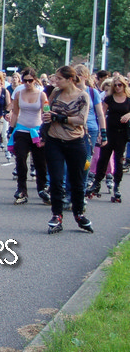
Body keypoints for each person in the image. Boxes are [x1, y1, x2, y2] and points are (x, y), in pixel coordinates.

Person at [42, 66, 93, 233]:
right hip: (54, 140)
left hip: (75, 141)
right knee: (56, 180)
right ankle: (57, 215)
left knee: (77, 181)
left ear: (70, 79)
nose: (56, 81)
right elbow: (47, 109)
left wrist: (58, 117)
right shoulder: (56, 93)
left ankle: (79, 214)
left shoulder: (83, 96)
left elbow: (81, 120)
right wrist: (46, 117)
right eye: (55, 78)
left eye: (59, 79)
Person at [87, 73, 130, 202]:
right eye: (115, 85)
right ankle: (97, 183)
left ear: (124, 85)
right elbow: (102, 114)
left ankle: (117, 185)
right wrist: (102, 132)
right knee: (103, 158)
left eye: (120, 85)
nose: (117, 87)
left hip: (122, 133)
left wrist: (128, 115)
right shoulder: (109, 99)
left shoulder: (128, 99)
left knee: (119, 160)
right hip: (110, 132)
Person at [8, 69, 49, 205]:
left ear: (35, 80)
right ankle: (21, 189)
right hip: (22, 130)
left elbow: (45, 114)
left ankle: (42, 188)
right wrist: (11, 129)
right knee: (20, 159)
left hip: (36, 131)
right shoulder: (18, 94)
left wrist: (45, 132)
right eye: (25, 80)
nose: (27, 83)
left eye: (30, 80)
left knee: (40, 162)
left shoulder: (42, 95)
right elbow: (15, 113)